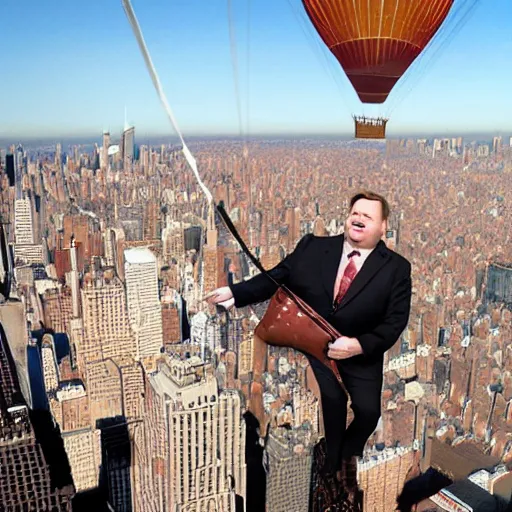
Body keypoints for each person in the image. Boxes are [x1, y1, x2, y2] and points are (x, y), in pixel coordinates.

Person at [205, 190, 412, 492]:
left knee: (369, 412)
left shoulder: (396, 267)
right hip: (319, 343)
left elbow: (395, 321)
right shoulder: (315, 247)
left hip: (361, 350)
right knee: (333, 401)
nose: (358, 219)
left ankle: (347, 455)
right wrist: (237, 293)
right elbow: (278, 276)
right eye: (355, 213)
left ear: (383, 227)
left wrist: (358, 345)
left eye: (368, 216)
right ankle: (333, 469)